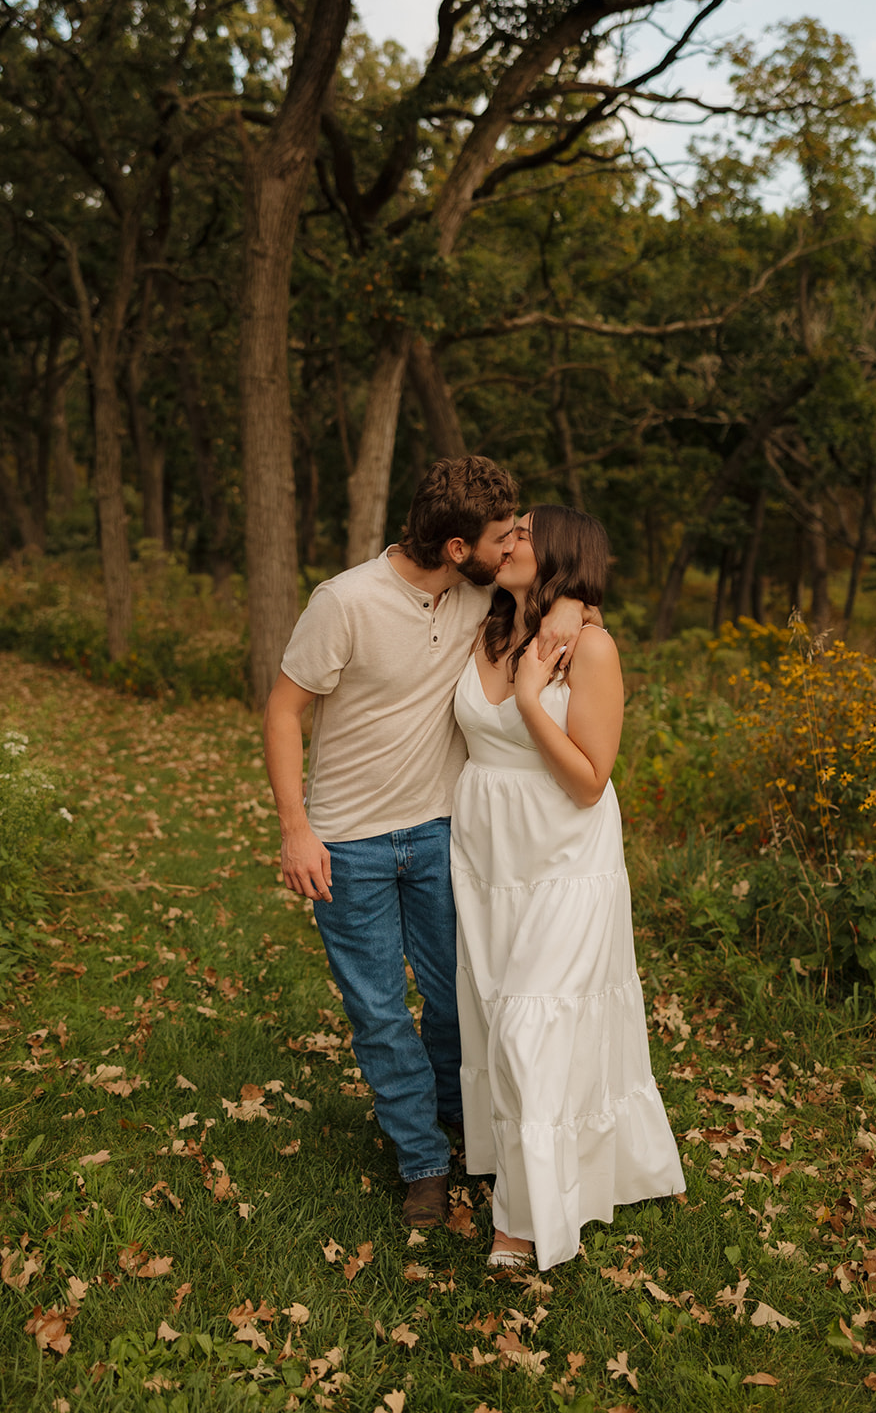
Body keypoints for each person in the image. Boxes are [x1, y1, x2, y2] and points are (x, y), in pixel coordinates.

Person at [263, 458, 589, 1229]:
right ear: (454, 547)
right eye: (500, 534)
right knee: (379, 1012)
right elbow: (283, 712)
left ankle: (465, 1127)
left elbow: (552, 592)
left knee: (454, 1002)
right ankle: (422, 1164)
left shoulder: (479, 594)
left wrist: (573, 602)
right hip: (347, 842)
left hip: (445, 834)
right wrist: (295, 828)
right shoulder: (343, 602)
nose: (511, 544)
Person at [451, 505, 685, 1270]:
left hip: (563, 854)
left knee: (530, 1023)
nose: (506, 543)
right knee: (493, 1014)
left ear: (560, 553)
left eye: (521, 534)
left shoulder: (591, 647)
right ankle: (521, 1164)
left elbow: (589, 781)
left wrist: (526, 698)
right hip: (488, 855)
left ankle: (522, 1222)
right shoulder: (482, 623)